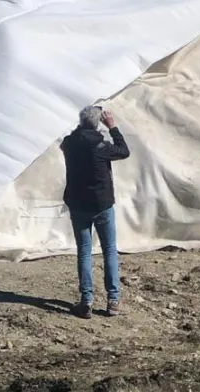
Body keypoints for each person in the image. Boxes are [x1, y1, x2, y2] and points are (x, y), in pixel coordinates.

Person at [60, 104, 131, 319]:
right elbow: (123, 151)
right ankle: (113, 300)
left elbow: (69, 141)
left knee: (84, 251)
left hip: (78, 204)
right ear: (97, 123)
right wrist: (112, 127)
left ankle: (86, 301)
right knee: (109, 249)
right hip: (102, 204)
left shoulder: (69, 143)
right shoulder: (101, 147)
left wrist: (86, 126)